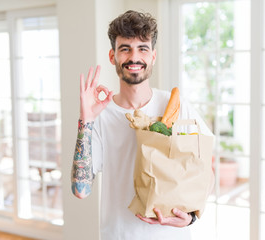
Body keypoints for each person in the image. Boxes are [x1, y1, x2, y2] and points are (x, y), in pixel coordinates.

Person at [71, 10, 214, 240]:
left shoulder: (175, 105)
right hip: (119, 235)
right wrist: (85, 120)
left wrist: (193, 214)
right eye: (125, 48)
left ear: (153, 56)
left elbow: (205, 166)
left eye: (142, 48)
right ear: (112, 56)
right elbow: (81, 190)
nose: (134, 57)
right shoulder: (101, 116)